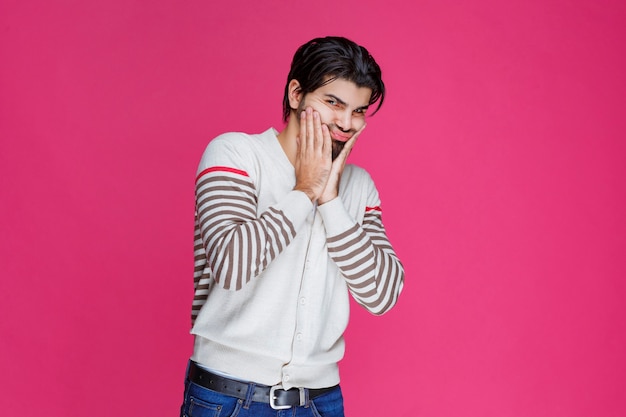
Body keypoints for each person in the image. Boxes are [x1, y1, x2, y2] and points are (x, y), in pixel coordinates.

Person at [181, 36, 404, 417]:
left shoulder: (358, 185)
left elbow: (383, 296)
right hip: (228, 397)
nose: (346, 123)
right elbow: (232, 267)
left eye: (358, 111)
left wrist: (331, 199)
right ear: (296, 93)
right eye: (333, 103)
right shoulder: (236, 154)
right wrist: (305, 190)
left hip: (320, 401)